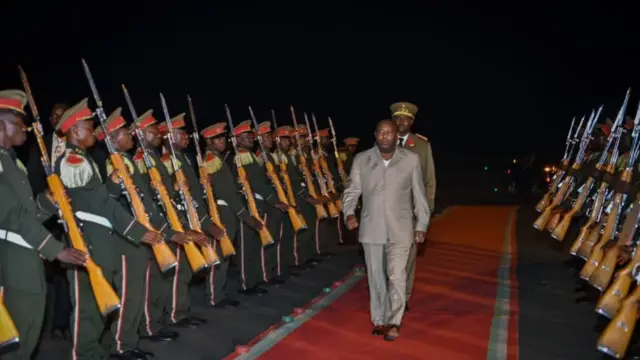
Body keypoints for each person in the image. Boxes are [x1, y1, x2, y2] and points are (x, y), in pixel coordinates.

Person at [42, 98, 163, 360]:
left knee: (97, 305)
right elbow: (102, 204)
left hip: (99, 241)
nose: (94, 131)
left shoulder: (84, 160)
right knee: (87, 307)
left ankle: (93, 351)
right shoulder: (74, 161)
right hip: (88, 241)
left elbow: (99, 200)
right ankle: (84, 353)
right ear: (75, 130)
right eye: (89, 126)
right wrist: (137, 231)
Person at [0, 90, 87, 360]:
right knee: (16, 338)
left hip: (26, 254)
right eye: (18, 122)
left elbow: (26, 212)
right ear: (1, 125)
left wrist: (48, 203)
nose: (25, 128)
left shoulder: (10, 160)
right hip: (12, 260)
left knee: (28, 329)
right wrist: (54, 248)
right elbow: (11, 216)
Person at [342, 119, 430, 341]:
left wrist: (421, 225)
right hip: (372, 227)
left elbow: (420, 195)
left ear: (395, 135)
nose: (385, 136)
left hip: (401, 228)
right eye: (380, 133)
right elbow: (352, 190)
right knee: (375, 277)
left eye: (389, 133)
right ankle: (379, 319)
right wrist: (349, 213)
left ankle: (394, 321)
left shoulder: (411, 160)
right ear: (375, 135)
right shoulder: (362, 159)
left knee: (397, 275)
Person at [24, 102, 74, 341]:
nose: (57, 119)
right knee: (54, 272)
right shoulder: (41, 143)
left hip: (75, 217)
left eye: (61, 115)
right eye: (53, 116)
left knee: (70, 269)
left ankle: (68, 322)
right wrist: (46, 203)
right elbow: (33, 176)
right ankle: (52, 321)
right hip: (49, 217)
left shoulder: (78, 141)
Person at [391, 101, 436, 311]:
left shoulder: (422, 146)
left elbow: (429, 181)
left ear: (412, 121)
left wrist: (424, 214)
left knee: (408, 257)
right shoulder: (382, 142)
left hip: (410, 212)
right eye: (397, 118)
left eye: (405, 118)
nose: (401, 122)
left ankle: (403, 296)